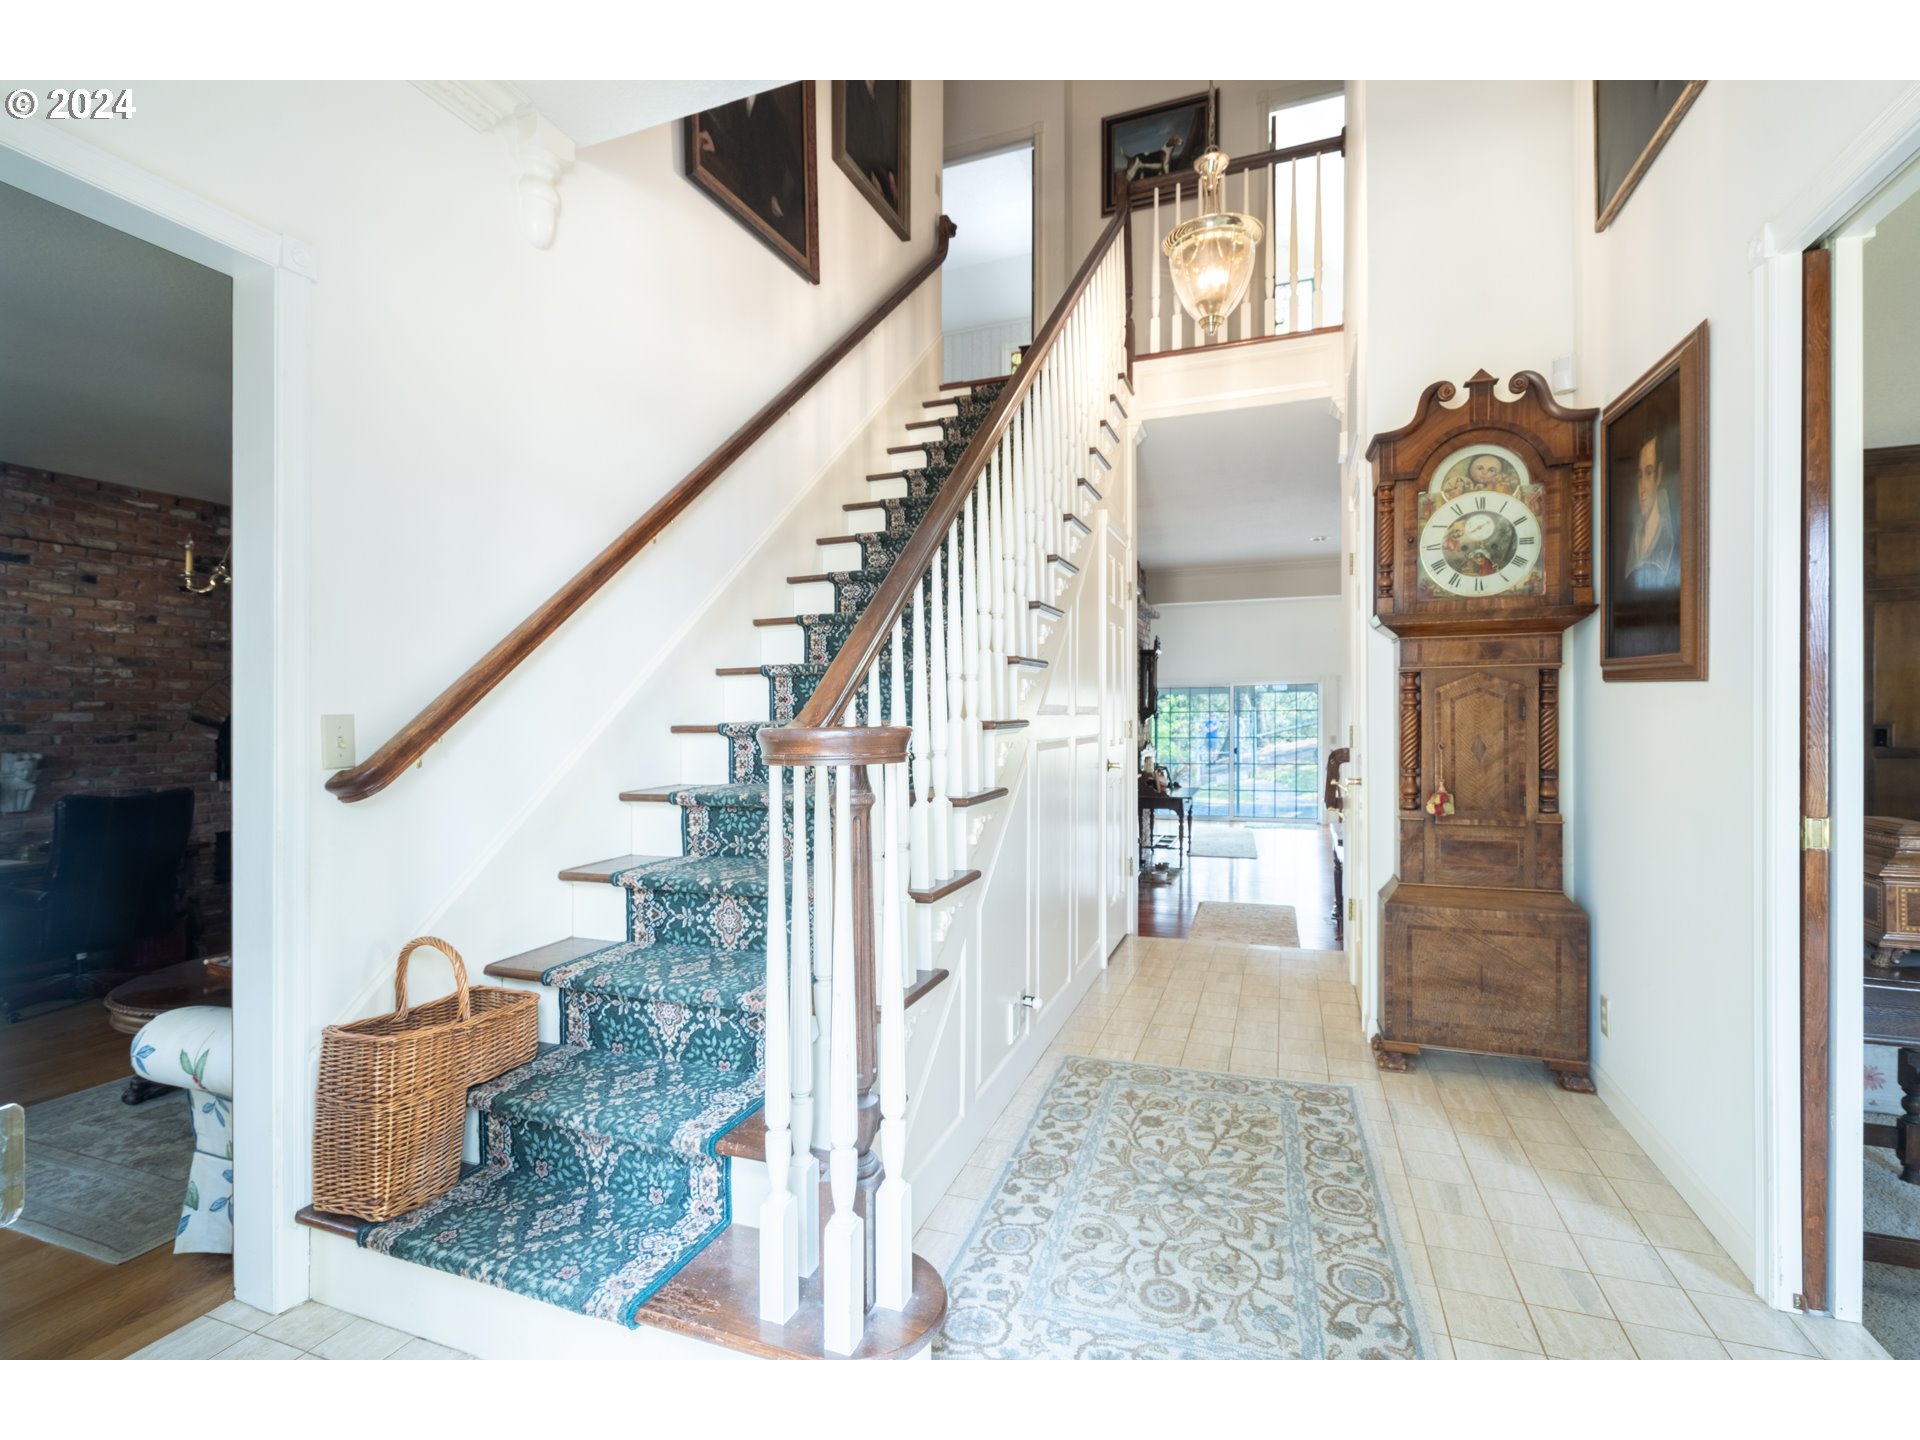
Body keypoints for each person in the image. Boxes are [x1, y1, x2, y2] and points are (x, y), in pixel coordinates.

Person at [1625, 433, 1678, 589]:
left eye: (1649, 473)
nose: (1642, 488)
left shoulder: (1670, 530)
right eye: (1639, 475)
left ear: (1659, 474)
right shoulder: (1637, 532)